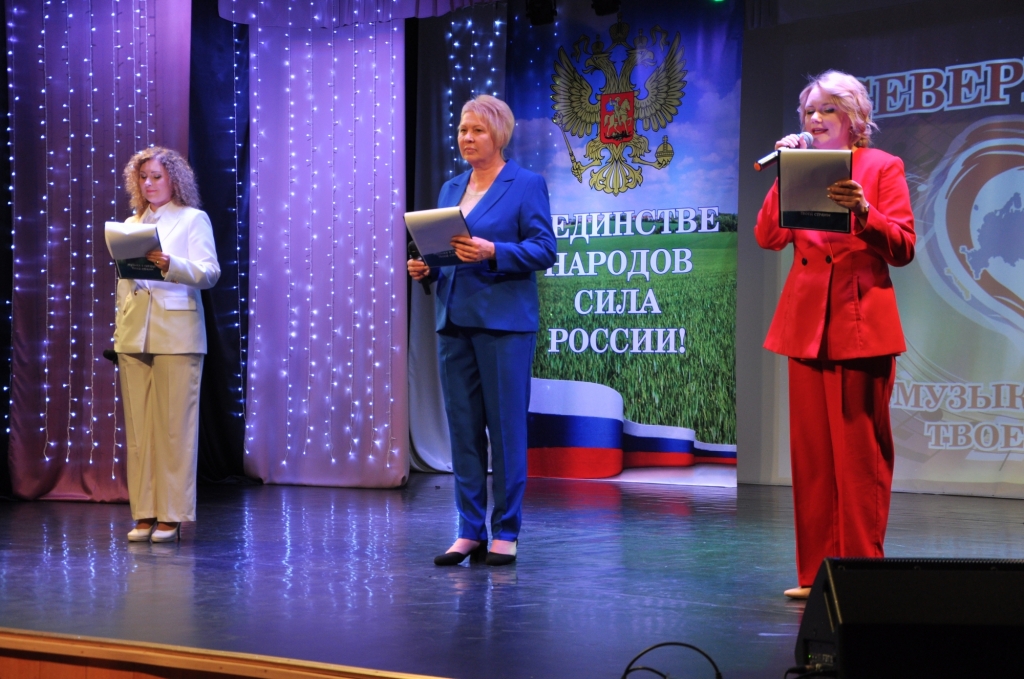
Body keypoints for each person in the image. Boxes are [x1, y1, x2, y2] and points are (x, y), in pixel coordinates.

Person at [754, 71, 915, 598]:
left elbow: (903, 247)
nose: (816, 119)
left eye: (828, 109)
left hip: (859, 321)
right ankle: (816, 575)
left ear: (855, 117)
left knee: (859, 460)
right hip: (804, 325)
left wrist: (864, 212)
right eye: (809, 111)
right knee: (813, 459)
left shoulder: (881, 166)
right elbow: (768, 237)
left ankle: (861, 578)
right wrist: (783, 175)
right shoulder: (796, 166)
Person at [408, 95, 557, 566]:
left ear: (499, 135)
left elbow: (545, 249)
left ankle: (506, 531)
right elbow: (444, 253)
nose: (466, 138)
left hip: (503, 324)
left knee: (506, 431)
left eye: (477, 130)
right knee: (464, 431)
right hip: (454, 321)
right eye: (462, 130)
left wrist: (495, 251)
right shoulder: (451, 188)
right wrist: (426, 268)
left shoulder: (526, 184)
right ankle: (469, 530)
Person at [115, 147, 221, 543]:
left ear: (174, 179)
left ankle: (171, 515)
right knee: (140, 431)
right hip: (134, 334)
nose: (148, 183)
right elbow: (125, 285)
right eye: (143, 177)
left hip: (177, 332)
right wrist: (119, 332)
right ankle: (144, 513)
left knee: (174, 430)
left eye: (156, 176)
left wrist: (171, 264)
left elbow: (210, 273)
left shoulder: (192, 219)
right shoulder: (131, 223)